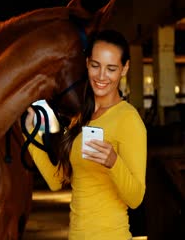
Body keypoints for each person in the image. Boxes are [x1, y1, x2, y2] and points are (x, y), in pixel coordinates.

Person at [25, 29, 147, 239]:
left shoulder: (129, 119)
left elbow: (136, 198)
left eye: (111, 68)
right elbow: (58, 181)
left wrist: (113, 162)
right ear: (87, 63)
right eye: (95, 65)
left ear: (124, 69)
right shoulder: (82, 117)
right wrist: (31, 135)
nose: (101, 76)